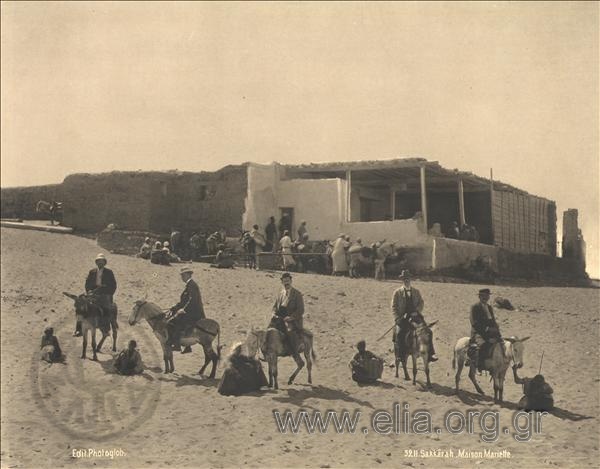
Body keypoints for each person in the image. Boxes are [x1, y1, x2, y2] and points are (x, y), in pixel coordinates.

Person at [391, 270, 438, 361]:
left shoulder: (416, 292)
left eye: (408, 279)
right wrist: (397, 318)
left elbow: (421, 303)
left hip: (415, 316)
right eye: (404, 279)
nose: (406, 281)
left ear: (410, 280)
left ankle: (430, 354)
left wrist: (417, 311)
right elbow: (393, 307)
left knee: (428, 332)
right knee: (400, 333)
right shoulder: (397, 293)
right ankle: (400, 355)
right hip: (403, 318)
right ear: (402, 280)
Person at [166, 266, 205, 353]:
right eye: (182, 275)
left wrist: (182, 310)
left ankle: (177, 345)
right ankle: (187, 347)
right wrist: (174, 308)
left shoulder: (192, 285)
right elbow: (183, 301)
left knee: (172, 322)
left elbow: (192, 300)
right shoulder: (189, 285)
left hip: (194, 313)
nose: (182, 277)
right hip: (190, 311)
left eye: (183, 275)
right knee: (174, 317)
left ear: (188, 275)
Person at [77, 254, 117, 336]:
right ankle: (79, 329)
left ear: (104, 263)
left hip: (104, 294)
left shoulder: (109, 272)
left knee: (106, 308)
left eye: (102, 262)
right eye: (98, 261)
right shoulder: (92, 272)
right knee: (81, 306)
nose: (100, 263)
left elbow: (113, 285)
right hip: (93, 293)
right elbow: (87, 283)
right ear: (96, 262)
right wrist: (89, 291)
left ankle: (106, 328)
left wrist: (106, 292)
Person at [269, 272, 305, 364]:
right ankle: (269, 353)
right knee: (269, 331)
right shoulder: (280, 294)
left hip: (292, 321)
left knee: (289, 332)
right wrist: (273, 314)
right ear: (282, 282)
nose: (286, 283)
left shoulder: (297, 294)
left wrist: (291, 318)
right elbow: (274, 307)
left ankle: (294, 352)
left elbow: (300, 310)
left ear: (291, 281)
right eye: (284, 282)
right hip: (279, 319)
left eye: (288, 281)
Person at [468, 288, 501, 371]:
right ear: (479, 296)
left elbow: (492, 320)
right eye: (483, 296)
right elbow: (474, 323)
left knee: (501, 344)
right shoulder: (475, 307)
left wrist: (496, 330)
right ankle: (479, 365)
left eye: (487, 296)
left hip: (490, 332)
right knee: (483, 345)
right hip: (478, 333)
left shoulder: (489, 307)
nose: (485, 298)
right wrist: (486, 329)